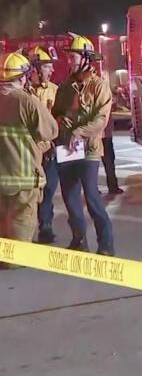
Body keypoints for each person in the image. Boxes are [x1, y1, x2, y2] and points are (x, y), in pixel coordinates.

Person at [52, 34, 115, 256]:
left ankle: (106, 243)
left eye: (74, 56)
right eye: (69, 56)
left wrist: (78, 131)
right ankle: (79, 239)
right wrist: (59, 122)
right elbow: (56, 113)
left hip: (89, 148)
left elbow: (101, 120)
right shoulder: (65, 87)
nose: (70, 60)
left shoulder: (99, 87)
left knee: (91, 195)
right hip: (67, 147)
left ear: (87, 58)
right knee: (70, 196)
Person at [0, 52, 59, 268]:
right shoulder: (25, 101)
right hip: (22, 179)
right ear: (23, 77)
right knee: (19, 227)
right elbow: (51, 130)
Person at [27, 46, 61, 244]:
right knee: (30, 192)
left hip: (49, 151)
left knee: (48, 191)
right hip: (29, 152)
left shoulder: (56, 91)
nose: (49, 71)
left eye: (49, 67)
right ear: (34, 69)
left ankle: (46, 226)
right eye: (45, 67)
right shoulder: (24, 93)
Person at [101, 110, 123, 195]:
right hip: (103, 134)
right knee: (109, 161)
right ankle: (113, 187)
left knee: (93, 163)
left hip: (98, 134)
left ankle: (92, 190)